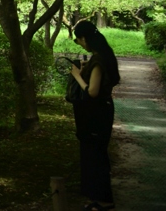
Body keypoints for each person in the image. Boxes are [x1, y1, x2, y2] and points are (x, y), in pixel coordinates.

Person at [69, 20, 121, 211]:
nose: (79, 43)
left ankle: (104, 201)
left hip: (96, 114)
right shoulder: (103, 56)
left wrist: (77, 76)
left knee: (95, 156)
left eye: (78, 40)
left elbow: (92, 92)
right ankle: (98, 200)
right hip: (102, 110)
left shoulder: (98, 60)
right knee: (96, 154)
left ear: (84, 38)